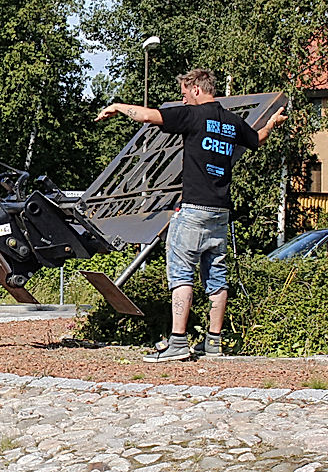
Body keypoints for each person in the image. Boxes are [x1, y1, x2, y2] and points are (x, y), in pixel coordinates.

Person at [96, 69, 288, 362]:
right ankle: (213, 342)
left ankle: (177, 342)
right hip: (220, 212)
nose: (183, 99)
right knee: (216, 277)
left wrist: (118, 106)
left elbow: (147, 116)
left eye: (185, 93)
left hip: (194, 210)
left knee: (181, 273)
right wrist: (273, 122)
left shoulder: (193, 116)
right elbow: (257, 138)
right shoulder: (232, 121)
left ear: (197, 89)